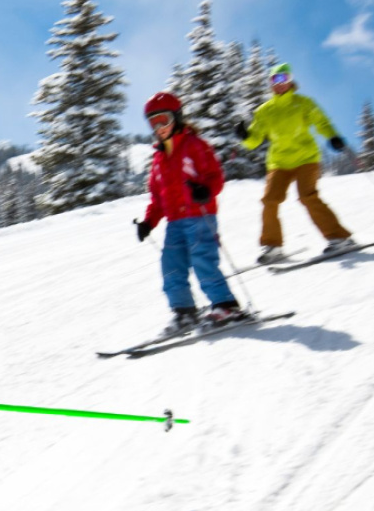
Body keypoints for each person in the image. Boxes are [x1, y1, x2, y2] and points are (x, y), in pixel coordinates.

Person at [135, 92, 246, 334]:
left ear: (176, 117)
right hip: (175, 222)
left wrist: (206, 191)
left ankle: (226, 306)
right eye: (153, 123)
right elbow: (157, 198)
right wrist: (148, 222)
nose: (159, 128)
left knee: (202, 259)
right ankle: (184, 312)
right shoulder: (158, 159)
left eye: (163, 120)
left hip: (199, 215)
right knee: (171, 265)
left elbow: (215, 176)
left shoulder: (195, 145)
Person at [236, 62, 356, 265]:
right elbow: (255, 140)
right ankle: (272, 246)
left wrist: (333, 137)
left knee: (307, 196)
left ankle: (340, 238)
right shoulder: (265, 110)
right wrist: (245, 136)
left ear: (290, 80)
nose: (279, 83)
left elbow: (322, 122)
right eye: (275, 79)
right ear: (270, 83)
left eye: (283, 78)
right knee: (270, 200)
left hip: (306, 158)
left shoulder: (303, 103)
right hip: (279, 162)